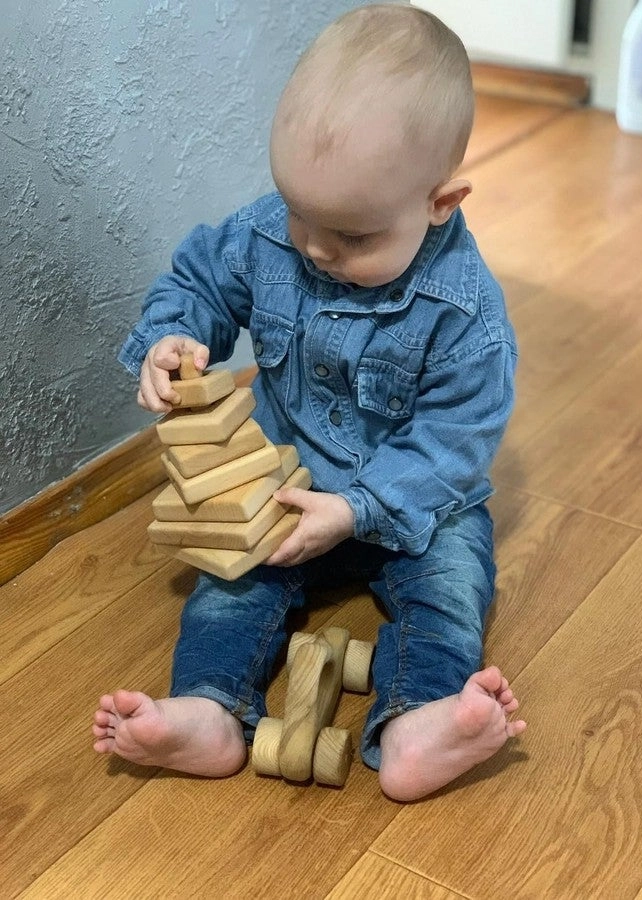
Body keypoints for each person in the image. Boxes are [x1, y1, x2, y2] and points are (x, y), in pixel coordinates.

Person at [92, 2, 526, 802]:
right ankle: (210, 709)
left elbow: (452, 443)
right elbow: (198, 283)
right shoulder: (268, 235)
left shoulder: (467, 317)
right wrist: (173, 338)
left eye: (355, 237)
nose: (318, 249)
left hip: (419, 503)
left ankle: (419, 721)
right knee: (229, 582)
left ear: (442, 202)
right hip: (287, 481)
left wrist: (359, 508)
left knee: (452, 589)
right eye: (301, 216)